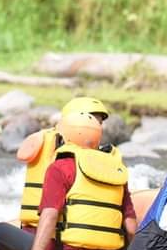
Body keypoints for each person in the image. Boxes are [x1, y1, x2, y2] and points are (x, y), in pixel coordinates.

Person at [0, 111, 136, 250]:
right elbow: (130, 226)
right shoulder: (116, 170)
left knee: (0, 231)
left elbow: (50, 215)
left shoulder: (60, 167)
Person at [16, 96, 112, 231]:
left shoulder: (103, 155)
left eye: (98, 123)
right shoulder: (58, 154)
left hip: (74, 234)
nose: (94, 127)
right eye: (89, 120)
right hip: (40, 229)